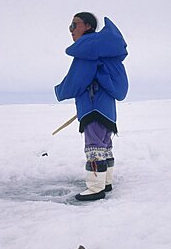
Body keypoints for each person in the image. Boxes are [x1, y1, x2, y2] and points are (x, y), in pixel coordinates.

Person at [54, 12, 128, 201]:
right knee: (105, 145)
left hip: (93, 106)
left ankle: (95, 188)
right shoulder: (107, 52)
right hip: (107, 110)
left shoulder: (88, 50)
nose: (70, 30)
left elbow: (76, 80)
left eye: (73, 25)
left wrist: (60, 91)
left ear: (87, 26)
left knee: (94, 146)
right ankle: (105, 181)